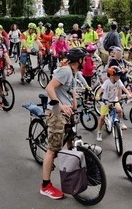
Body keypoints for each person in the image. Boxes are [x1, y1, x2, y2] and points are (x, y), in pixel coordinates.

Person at [40, 47, 88, 200]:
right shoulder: (66, 70)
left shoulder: (74, 74)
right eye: (84, 59)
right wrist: (59, 105)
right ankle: (45, 186)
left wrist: (75, 106)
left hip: (67, 113)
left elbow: (72, 93)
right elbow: (49, 87)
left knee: (70, 141)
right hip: (56, 113)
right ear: (79, 60)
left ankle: (70, 174)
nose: (86, 61)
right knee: (52, 149)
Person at [95, 66, 132, 141]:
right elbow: (100, 90)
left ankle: (120, 122)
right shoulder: (107, 82)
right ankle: (99, 132)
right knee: (102, 117)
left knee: (120, 110)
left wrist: (128, 94)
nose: (118, 77)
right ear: (111, 76)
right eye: (116, 75)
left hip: (114, 100)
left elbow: (123, 88)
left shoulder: (118, 81)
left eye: (119, 75)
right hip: (106, 101)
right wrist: (97, 96)